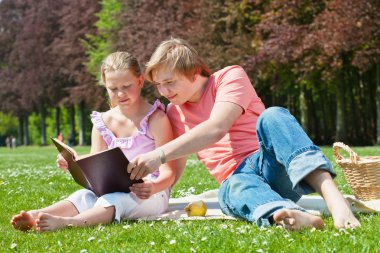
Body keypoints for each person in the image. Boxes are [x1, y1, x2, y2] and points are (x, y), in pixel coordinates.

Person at [127, 38, 360, 230]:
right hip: (237, 181)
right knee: (232, 187)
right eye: (158, 84)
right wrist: (152, 187)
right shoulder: (173, 112)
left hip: (270, 163)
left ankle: (336, 202)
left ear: (195, 71)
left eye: (169, 82)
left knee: (273, 115)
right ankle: (288, 215)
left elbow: (217, 127)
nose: (163, 91)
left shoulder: (229, 77)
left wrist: (159, 154)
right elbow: (173, 171)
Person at [11, 51, 176, 232]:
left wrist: (153, 187)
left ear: (140, 81)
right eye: (113, 88)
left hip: (152, 193)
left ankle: (67, 223)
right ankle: (37, 215)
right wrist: (73, 164)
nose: (120, 94)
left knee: (115, 199)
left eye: (127, 86)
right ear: (105, 86)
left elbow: (169, 173)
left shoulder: (156, 119)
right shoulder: (102, 123)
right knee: (84, 195)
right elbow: (96, 171)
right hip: (113, 189)